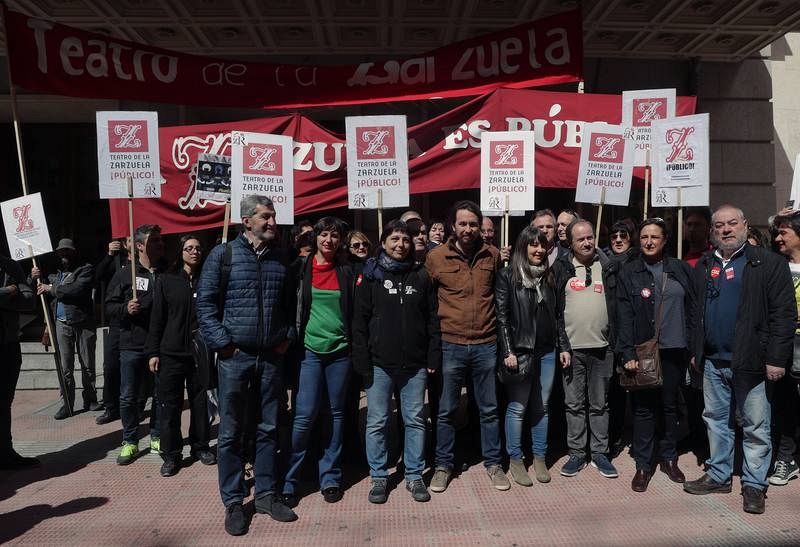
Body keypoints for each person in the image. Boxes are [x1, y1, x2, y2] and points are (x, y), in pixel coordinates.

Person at [683, 205, 795, 515]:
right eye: (720, 225)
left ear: (745, 225)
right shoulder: (704, 264)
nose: (727, 229)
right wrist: (696, 350)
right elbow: (694, 313)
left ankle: (754, 484)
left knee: (756, 426)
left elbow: (784, 316)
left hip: (753, 362)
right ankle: (719, 475)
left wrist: (776, 359)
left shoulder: (768, 264)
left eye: (733, 223)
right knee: (716, 421)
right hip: (713, 362)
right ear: (713, 232)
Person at [197, 196, 298, 534]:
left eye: (273, 216)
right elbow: (206, 307)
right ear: (246, 221)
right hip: (235, 358)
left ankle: (267, 494)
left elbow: (291, 305)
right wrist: (224, 345)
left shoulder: (281, 259)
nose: (272, 222)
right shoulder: (221, 256)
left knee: (269, 428)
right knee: (231, 432)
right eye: (265, 217)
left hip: (270, 358)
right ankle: (234, 502)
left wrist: (287, 335)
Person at [352, 219, 441, 503]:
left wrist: (432, 355)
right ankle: (379, 476)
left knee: (414, 420)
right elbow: (359, 323)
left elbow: (431, 320)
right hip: (379, 364)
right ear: (384, 243)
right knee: (377, 421)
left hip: (415, 366)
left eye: (405, 239)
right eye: (395, 239)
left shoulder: (421, 275)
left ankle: (414, 476)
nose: (400, 244)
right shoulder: (371, 276)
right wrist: (363, 362)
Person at [425, 200, 510, 493]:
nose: (468, 229)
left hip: (486, 343)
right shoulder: (436, 257)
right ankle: (443, 465)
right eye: (463, 223)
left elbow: (500, 298)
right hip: (451, 344)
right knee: (447, 410)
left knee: (488, 409)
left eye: (473, 224)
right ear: (453, 226)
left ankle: (493, 464)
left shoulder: (493, 255)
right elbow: (427, 303)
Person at [616, 218, 696, 492]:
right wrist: (626, 351)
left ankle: (669, 458)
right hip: (642, 351)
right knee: (643, 410)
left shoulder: (680, 269)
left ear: (665, 241)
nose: (649, 241)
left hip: (675, 350)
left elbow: (693, 308)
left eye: (655, 237)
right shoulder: (630, 272)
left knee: (670, 406)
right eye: (644, 237)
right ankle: (643, 464)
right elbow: (623, 316)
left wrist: (695, 347)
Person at [282, 217, 355, 507]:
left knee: (335, 415)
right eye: (324, 235)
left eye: (335, 236)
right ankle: (290, 479)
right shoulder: (300, 269)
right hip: (309, 352)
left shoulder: (347, 271)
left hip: (340, 352)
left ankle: (330, 477)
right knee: (304, 416)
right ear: (316, 238)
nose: (329, 240)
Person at [495, 226, 563, 486]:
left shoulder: (549, 276)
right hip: (520, 352)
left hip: (547, 351)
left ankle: (540, 457)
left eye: (542, 245)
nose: (538, 250)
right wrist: (508, 350)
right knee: (518, 407)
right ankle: (515, 459)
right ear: (523, 247)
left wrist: (562, 347)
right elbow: (501, 316)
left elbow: (557, 316)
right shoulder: (508, 276)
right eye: (533, 245)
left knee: (542, 407)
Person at [144, 234, 216, 477]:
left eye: (198, 248)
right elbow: (157, 319)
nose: (194, 251)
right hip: (170, 353)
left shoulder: (209, 279)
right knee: (170, 406)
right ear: (181, 252)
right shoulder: (166, 280)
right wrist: (153, 352)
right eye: (189, 248)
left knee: (199, 402)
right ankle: (172, 455)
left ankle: (200, 447)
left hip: (199, 353)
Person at [552, 219, 618, 479]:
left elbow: (617, 307)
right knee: (573, 404)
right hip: (572, 350)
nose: (587, 242)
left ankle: (600, 452)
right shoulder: (561, 268)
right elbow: (556, 311)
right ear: (570, 242)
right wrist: (562, 345)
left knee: (600, 404)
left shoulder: (609, 266)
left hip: (603, 348)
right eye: (581, 239)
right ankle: (577, 452)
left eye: (590, 237)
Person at [106, 225, 164, 466]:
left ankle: (157, 436)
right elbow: (108, 306)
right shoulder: (124, 274)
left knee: (160, 394)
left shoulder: (166, 272)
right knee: (129, 396)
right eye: (154, 241)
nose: (160, 245)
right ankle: (130, 440)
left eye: (161, 241)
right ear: (140, 245)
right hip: (131, 345)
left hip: (160, 344)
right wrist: (124, 309)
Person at [31, 238, 99, 418]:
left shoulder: (85, 269)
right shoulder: (54, 273)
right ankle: (66, 404)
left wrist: (51, 288)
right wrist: (34, 276)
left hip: (83, 323)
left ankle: (90, 399)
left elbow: (75, 290)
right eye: (61, 251)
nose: (64, 255)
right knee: (65, 368)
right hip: (61, 324)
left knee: (87, 365)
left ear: (74, 252)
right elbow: (37, 289)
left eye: (67, 251)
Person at [766, 212, 800, 486]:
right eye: (776, 233)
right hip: (784, 345)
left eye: (784, 233)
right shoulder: (776, 265)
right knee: (785, 404)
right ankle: (785, 459)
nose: (778, 238)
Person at [0, 254, 36, 470]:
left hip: (9, 342)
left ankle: (6, 452)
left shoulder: (10, 266)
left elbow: (29, 299)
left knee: (5, 402)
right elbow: (19, 293)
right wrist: (10, 291)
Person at [94, 237, 131, 425]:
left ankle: (136, 407)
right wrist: (109, 255)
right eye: (128, 239)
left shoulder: (144, 263)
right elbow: (97, 276)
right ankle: (111, 407)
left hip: (136, 323)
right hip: (116, 321)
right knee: (110, 366)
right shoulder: (115, 261)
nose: (130, 243)